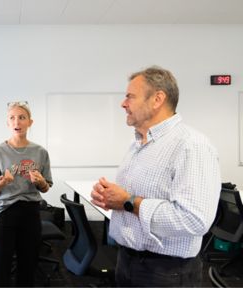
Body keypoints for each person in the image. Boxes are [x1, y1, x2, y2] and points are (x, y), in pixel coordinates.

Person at [90, 66, 221, 287]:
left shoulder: (191, 145)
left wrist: (128, 202)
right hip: (128, 261)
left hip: (166, 273)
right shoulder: (138, 144)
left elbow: (194, 220)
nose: (123, 103)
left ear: (157, 99)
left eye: (130, 96)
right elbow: (131, 197)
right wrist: (110, 196)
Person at [0, 101, 53, 287]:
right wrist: (3, 181)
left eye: (22, 117)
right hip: (3, 212)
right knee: (0, 267)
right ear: (7, 123)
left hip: (30, 211)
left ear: (30, 122)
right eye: (12, 118)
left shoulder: (40, 152)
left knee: (28, 266)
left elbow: (46, 188)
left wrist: (41, 182)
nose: (17, 122)